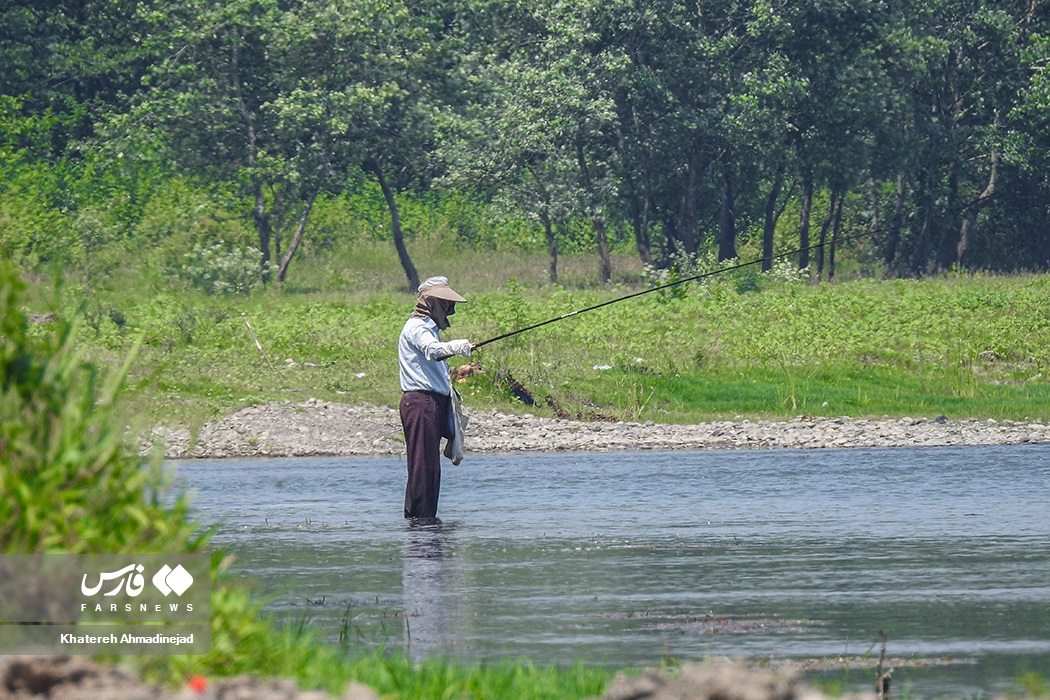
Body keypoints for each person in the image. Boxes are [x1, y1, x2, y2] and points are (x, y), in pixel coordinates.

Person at [397, 276, 473, 519]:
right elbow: (433, 351)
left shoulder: (429, 328)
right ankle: (420, 522)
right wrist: (459, 346)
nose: (450, 310)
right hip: (421, 404)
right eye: (446, 304)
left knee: (431, 467)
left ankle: (427, 521)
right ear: (433, 303)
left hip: (433, 403)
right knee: (422, 465)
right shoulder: (417, 327)